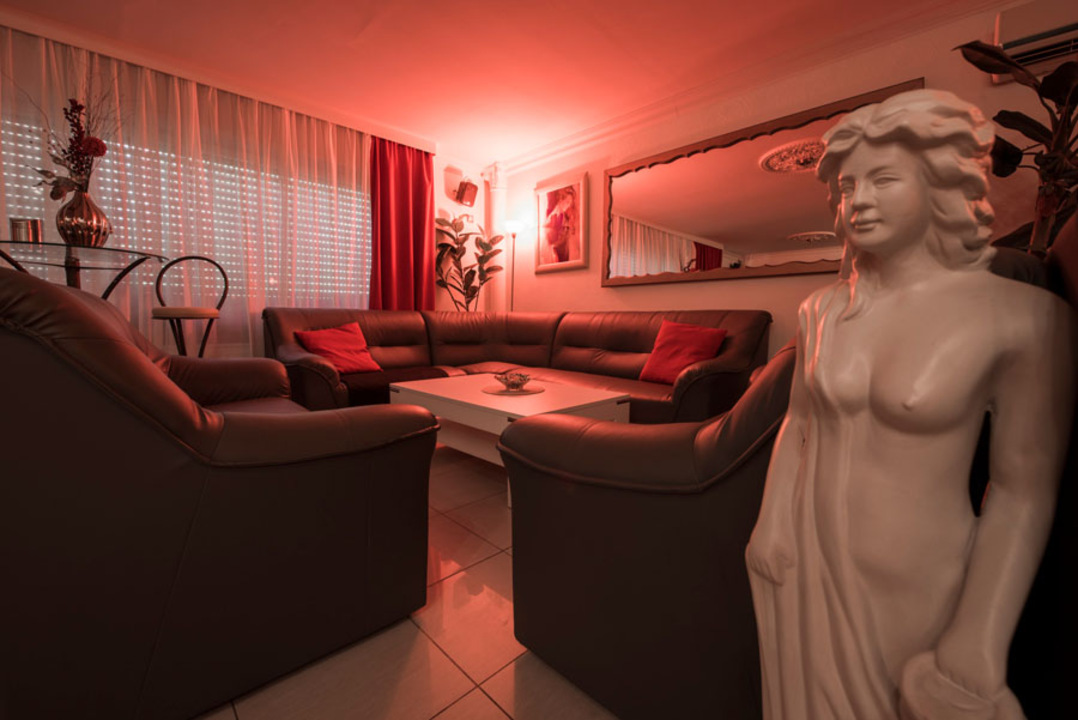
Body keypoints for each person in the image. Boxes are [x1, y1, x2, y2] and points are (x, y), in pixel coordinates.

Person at [745, 89, 1075, 720]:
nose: (858, 200)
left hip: (918, 579)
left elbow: (1021, 493)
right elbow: (801, 421)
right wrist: (772, 521)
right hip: (801, 561)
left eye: (884, 179)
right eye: (847, 187)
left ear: (939, 185)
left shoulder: (1023, 319)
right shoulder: (821, 310)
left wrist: (979, 637)